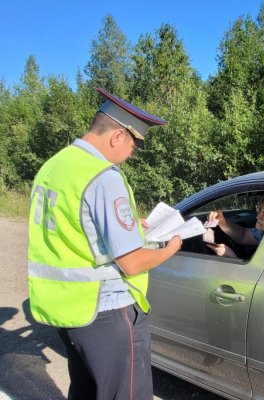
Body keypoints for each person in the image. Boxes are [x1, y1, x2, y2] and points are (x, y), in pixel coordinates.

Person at [27, 87, 182, 400]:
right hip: (106, 311)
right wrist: (171, 248)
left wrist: (124, 228)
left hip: (68, 309)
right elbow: (132, 262)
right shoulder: (103, 176)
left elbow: (72, 226)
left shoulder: (54, 166)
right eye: (133, 146)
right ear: (117, 136)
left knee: (86, 391)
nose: (131, 155)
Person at [206, 193, 264, 258]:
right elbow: (243, 235)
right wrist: (223, 223)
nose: (258, 216)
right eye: (259, 209)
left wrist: (230, 256)